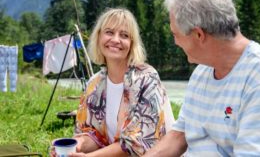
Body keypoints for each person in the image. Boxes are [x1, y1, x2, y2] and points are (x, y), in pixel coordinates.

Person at [144, 0, 260, 156]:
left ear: (198, 34)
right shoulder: (202, 72)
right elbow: (179, 136)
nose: (175, 42)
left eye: (175, 34)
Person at [51, 8, 175, 157]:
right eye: (109, 32)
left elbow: (138, 145)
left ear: (131, 43)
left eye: (124, 35)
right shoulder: (95, 83)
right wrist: (76, 146)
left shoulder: (147, 79)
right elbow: (93, 134)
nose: (116, 40)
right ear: (99, 37)